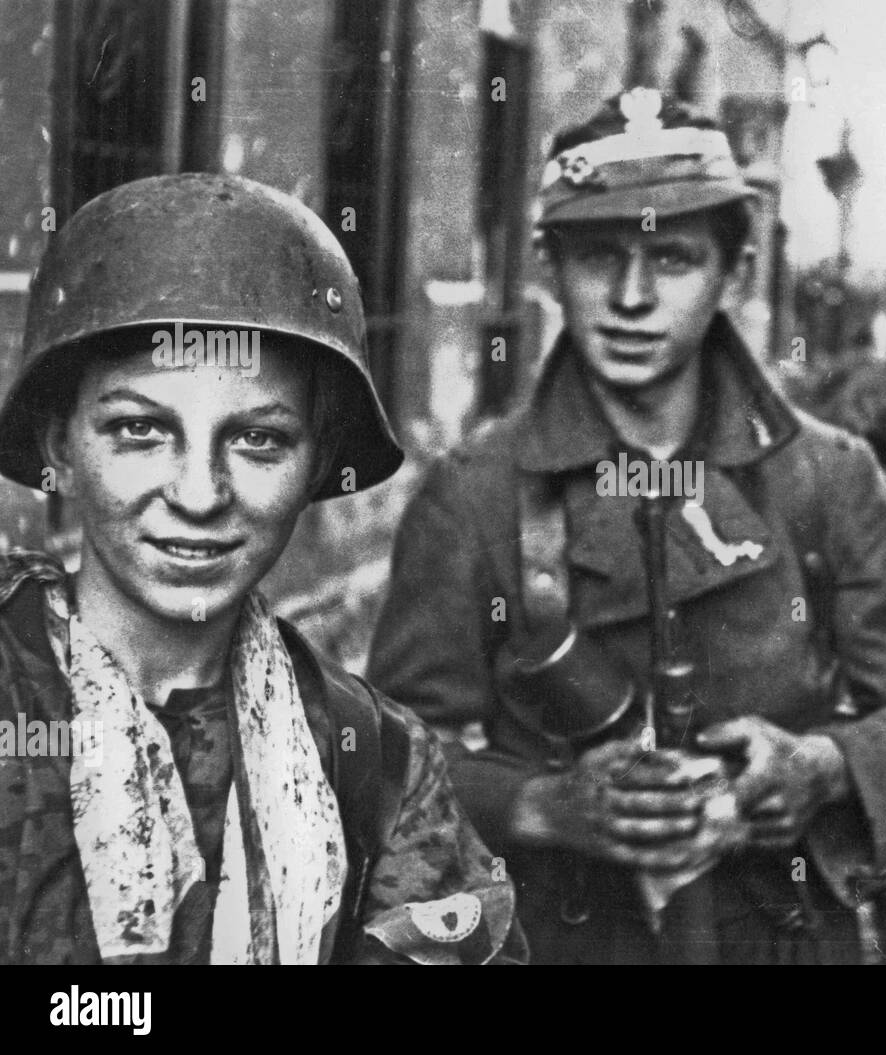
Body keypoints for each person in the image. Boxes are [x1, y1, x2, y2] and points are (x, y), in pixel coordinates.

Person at [367, 88, 886, 965]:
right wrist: (549, 805)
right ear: (547, 267)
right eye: (599, 257)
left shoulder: (825, 476)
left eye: (674, 258)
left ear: (734, 270)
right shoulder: (476, 493)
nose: (633, 298)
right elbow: (384, 762)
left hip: (777, 936)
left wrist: (819, 766)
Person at [0, 173, 524, 965]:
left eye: (259, 440)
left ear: (319, 463)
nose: (200, 494)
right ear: (59, 449)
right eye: (141, 429)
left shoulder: (371, 757)